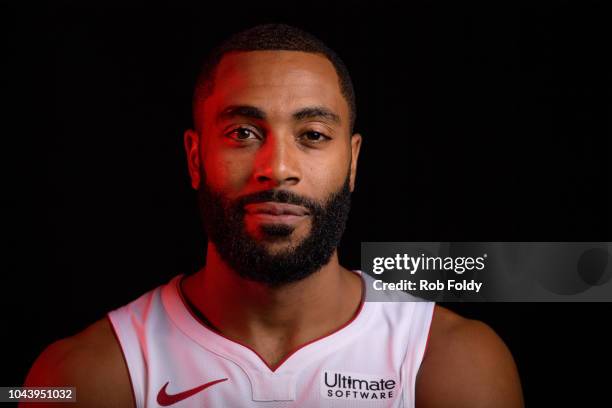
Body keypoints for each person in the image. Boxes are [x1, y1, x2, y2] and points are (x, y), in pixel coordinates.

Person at [23, 24, 524, 407]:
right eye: (243, 133)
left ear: (353, 162)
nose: (277, 168)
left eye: (312, 135)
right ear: (194, 158)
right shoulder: (79, 376)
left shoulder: (454, 363)